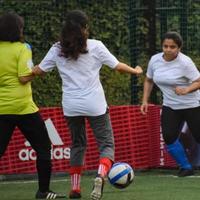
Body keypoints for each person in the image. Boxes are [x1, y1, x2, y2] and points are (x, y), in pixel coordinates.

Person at [32, 10, 143, 200]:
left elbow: (39, 71)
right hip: (95, 104)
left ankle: (75, 188)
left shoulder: (57, 48)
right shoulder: (96, 46)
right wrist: (136, 70)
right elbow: (117, 67)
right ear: (85, 29)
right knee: (106, 144)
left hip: (71, 106)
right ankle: (100, 175)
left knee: (77, 144)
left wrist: (22, 74)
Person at [0, 13, 66, 199]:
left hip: (1, 109)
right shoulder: (23, 48)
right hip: (23, 108)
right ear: (16, 30)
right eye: (21, 27)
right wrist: (37, 72)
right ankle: (43, 191)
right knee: (44, 148)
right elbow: (23, 77)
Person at [140, 31, 200, 177]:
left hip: (192, 104)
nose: (168, 49)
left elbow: (198, 81)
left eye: (172, 47)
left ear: (179, 48)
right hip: (170, 106)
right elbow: (149, 80)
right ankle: (185, 167)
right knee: (168, 136)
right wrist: (145, 100)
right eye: (165, 46)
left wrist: (187, 90)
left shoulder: (185, 62)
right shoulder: (154, 60)